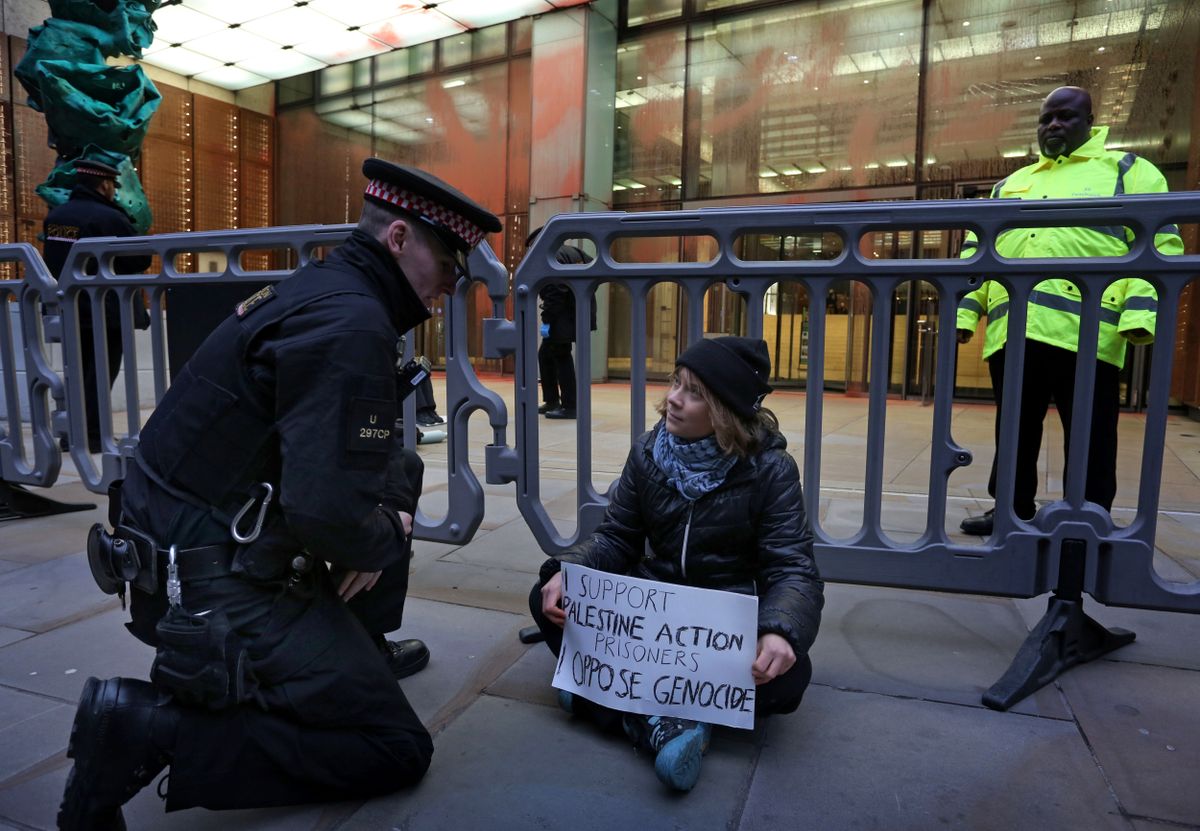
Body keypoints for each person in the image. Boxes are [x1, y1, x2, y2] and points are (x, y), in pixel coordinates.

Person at [59, 159, 501, 828]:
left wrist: (374, 521)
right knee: (395, 746)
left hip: (178, 548)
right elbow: (326, 515)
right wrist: (389, 534)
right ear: (400, 238)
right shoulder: (352, 323)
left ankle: (355, 653)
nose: (451, 282)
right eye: (446, 261)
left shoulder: (326, 288)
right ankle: (149, 728)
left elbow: (341, 467)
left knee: (397, 469)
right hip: (209, 588)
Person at [528, 336, 824, 792]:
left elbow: (792, 569)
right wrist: (568, 571)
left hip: (721, 627)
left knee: (790, 679)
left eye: (694, 392)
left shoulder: (770, 470)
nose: (673, 399)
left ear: (724, 411)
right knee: (547, 597)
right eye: (676, 383)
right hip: (652, 619)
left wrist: (779, 630)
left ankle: (611, 702)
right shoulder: (649, 452)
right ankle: (665, 719)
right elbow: (616, 536)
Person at [956, 86, 1183, 536]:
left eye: (1065, 117)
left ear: (1091, 121)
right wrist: (966, 313)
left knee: (1092, 433)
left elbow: (1159, 244)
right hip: (1015, 329)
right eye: (1046, 119)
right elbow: (976, 252)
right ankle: (1010, 510)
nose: (1053, 125)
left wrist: (1138, 316)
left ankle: (1089, 514)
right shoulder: (1011, 184)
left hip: (1089, 332)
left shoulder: (1129, 171)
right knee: (1015, 430)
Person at [43, 159, 152, 453]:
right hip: (106, 310)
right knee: (101, 375)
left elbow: (54, 258)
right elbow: (141, 258)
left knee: (76, 372)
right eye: (112, 186)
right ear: (104, 184)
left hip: (70, 307)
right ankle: (93, 435)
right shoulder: (109, 217)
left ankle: (72, 434)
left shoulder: (58, 216)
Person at [528, 228, 594, 420]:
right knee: (547, 354)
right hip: (578, 311)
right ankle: (552, 400)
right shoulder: (574, 252)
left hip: (562, 316)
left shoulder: (551, 255)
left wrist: (547, 318)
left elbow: (555, 290)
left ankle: (570, 405)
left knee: (561, 355)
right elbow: (595, 271)